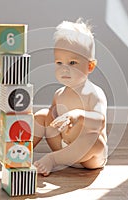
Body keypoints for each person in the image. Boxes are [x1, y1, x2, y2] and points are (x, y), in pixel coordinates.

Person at [33, 18, 108, 176]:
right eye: (59, 63)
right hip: (64, 147)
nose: (64, 69)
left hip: (89, 157)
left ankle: (53, 160)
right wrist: (52, 117)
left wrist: (79, 116)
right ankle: (20, 151)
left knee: (95, 140)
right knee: (41, 116)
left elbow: (100, 121)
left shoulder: (93, 93)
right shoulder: (59, 94)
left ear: (90, 66)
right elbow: (52, 119)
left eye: (72, 63)